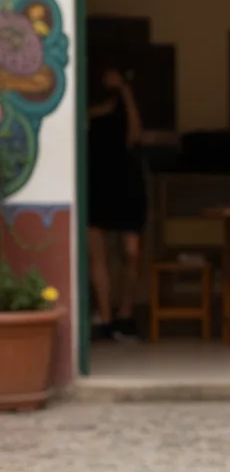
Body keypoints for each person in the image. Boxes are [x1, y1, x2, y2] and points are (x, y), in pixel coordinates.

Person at [86, 57, 147, 341]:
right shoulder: (86, 104)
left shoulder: (127, 101)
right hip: (96, 179)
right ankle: (106, 318)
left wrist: (125, 91)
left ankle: (125, 314)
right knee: (97, 254)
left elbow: (135, 135)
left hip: (127, 180)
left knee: (131, 254)